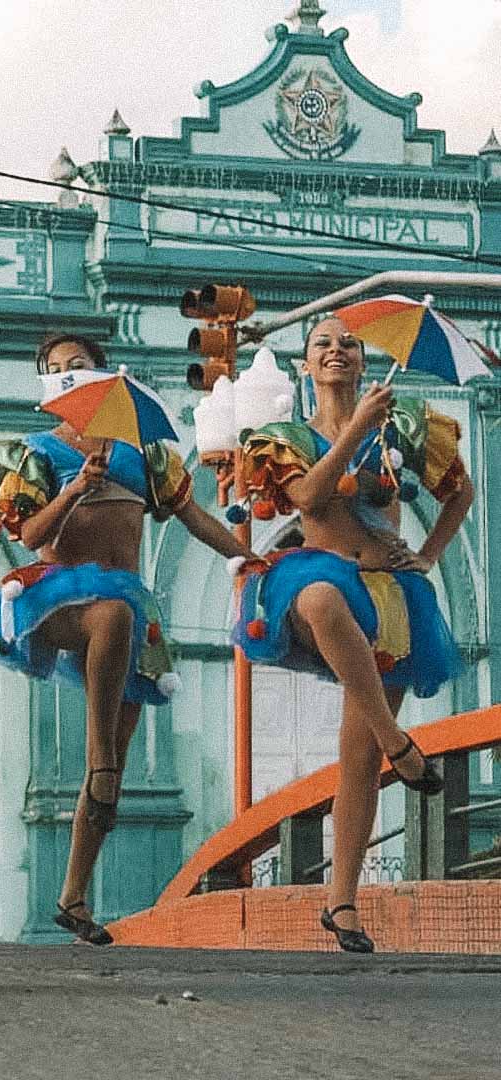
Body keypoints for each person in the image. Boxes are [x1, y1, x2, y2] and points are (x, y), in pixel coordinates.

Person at [0, 334, 254, 944]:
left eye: (79, 365)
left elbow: (196, 518)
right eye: (55, 369)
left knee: (121, 631)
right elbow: (28, 534)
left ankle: (74, 898)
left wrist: (248, 560)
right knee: (109, 617)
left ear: (101, 375)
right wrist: (75, 489)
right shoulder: (40, 452)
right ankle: (97, 749)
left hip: (126, 608)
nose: (68, 374)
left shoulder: (144, 454)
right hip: (56, 599)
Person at [234, 317, 472, 953]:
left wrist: (429, 553)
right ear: (306, 367)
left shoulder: (405, 426)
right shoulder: (286, 436)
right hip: (322, 572)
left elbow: (461, 491)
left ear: (365, 363)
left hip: (392, 590)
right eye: (323, 345)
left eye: (349, 344)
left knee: (357, 757)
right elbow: (310, 499)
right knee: (318, 599)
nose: (336, 351)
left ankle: (342, 904)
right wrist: (358, 427)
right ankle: (401, 743)